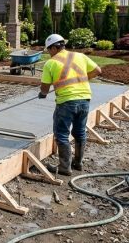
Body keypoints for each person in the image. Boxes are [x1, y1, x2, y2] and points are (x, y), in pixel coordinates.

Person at [40, 33, 102, 175]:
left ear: (54, 48)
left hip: (66, 102)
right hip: (85, 99)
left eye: (49, 50)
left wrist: (42, 94)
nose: (49, 54)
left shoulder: (51, 63)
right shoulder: (80, 56)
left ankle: (64, 168)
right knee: (80, 132)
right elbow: (98, 70)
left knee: (61, 134)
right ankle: (78, 163)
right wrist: (81, 80)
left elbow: (44, 88)